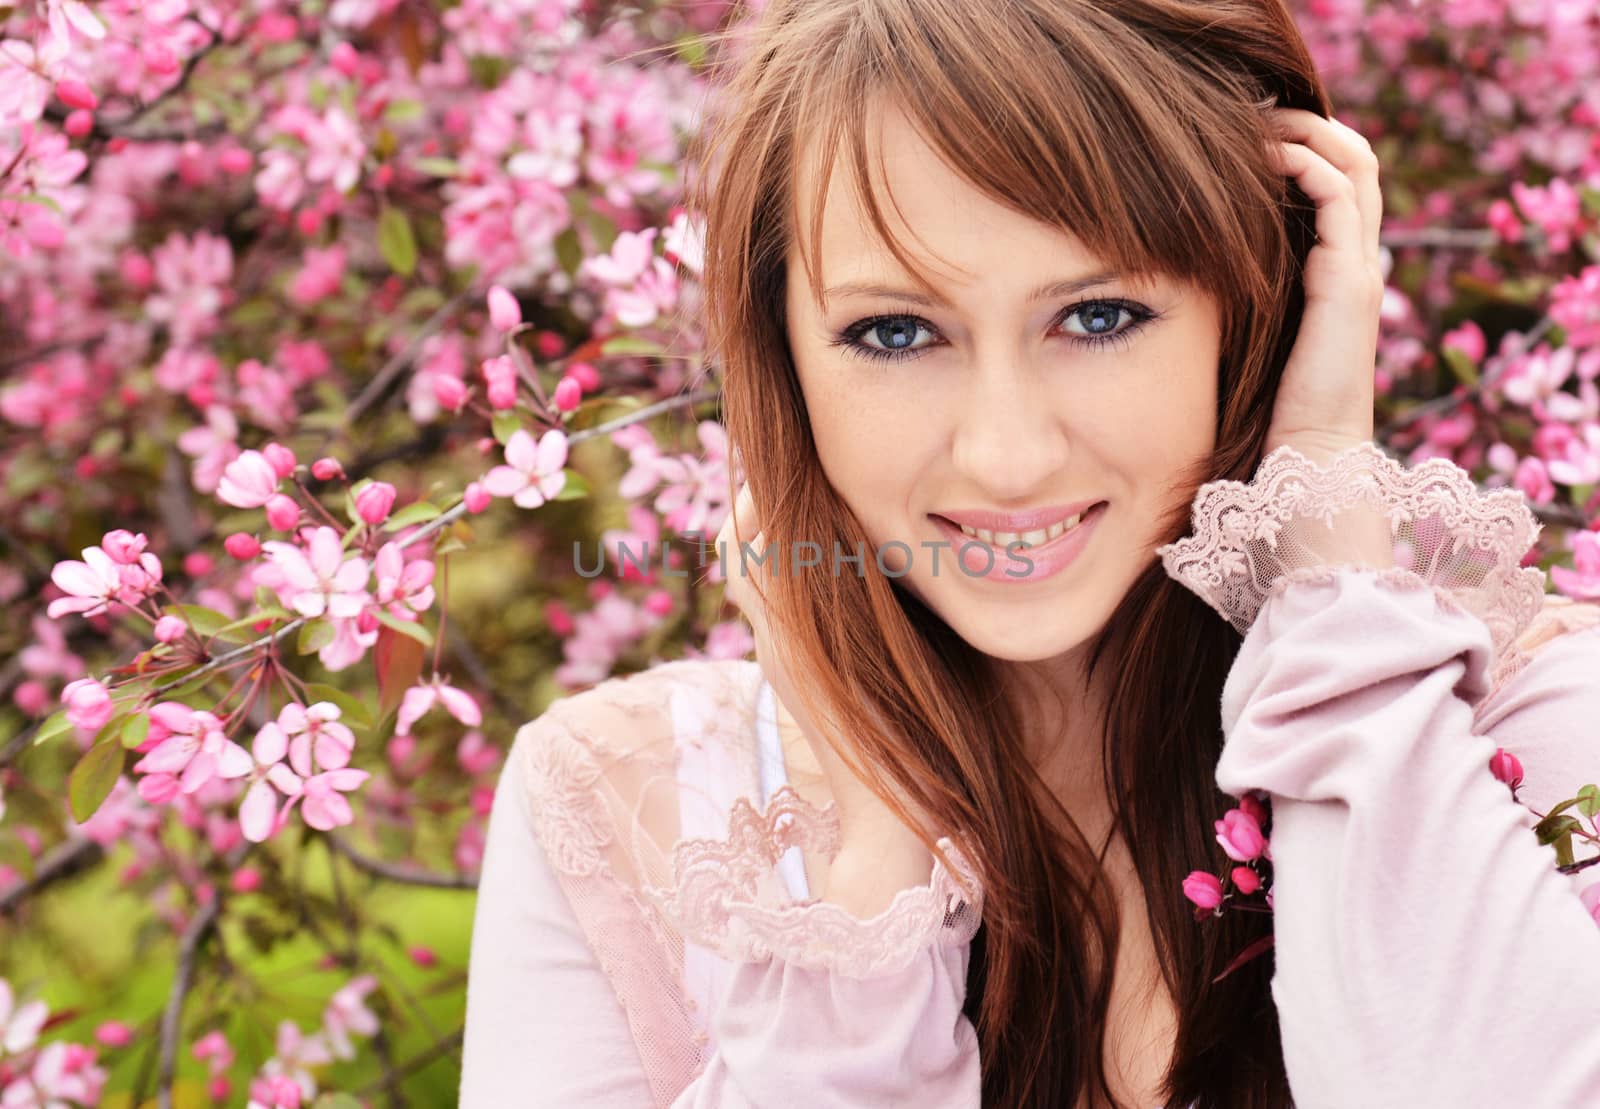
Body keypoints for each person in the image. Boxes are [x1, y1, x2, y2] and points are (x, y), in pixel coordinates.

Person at [459, 0, 1600, 1105]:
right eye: (894, 332)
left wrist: (1326, 539)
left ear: (1256, 313)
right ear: (785, 362)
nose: (1005, 455)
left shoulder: (1520, 731)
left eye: (1097, 316)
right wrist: (874, 849)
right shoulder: (623, 805)